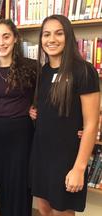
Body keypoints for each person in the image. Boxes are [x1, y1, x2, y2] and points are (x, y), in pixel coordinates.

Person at [29, 14, 100, 216]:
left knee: (62, 211)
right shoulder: (43, 71)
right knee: (44, 209)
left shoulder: (84, 71)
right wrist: (34, 112)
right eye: (46, 34)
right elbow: (48, 107)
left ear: (68, 36)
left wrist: (79, 168)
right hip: (42, 153)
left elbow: (92, 122)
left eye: (59, 33)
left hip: (67, 157)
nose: (52, 40)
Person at [0, 19, 37, 216]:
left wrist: (35, 109)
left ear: (15, 38)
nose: (1, 42)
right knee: (2, 183)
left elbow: (44, 99)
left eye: (6, 36)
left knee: (22, 187)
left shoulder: (32, 67)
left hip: (22, 136)